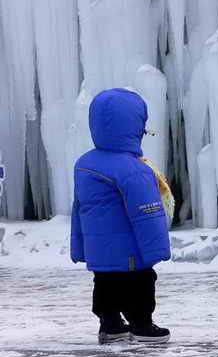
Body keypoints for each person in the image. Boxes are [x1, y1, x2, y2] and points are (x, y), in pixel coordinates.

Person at [71, 88, 172, 343]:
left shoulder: (84, 163)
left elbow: (79, 209)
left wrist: (80, 246)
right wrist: (157, 248)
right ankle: (142, 324)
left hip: (100, 251)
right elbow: (146, 213)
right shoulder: (133, 169)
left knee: (105, 282)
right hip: (129, 250)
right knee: (141, 282)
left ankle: (110, 323)